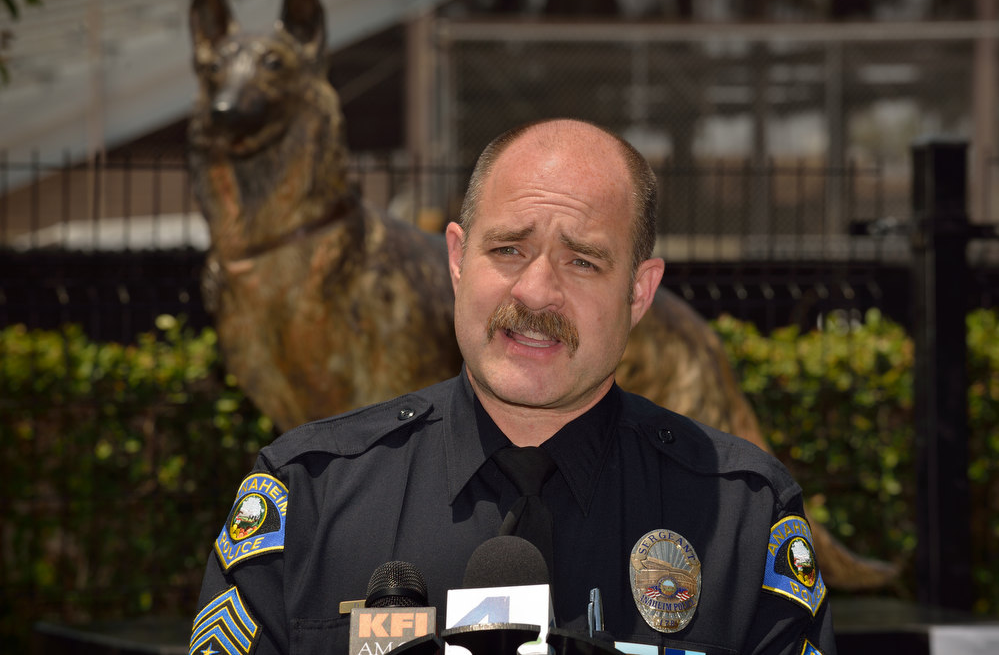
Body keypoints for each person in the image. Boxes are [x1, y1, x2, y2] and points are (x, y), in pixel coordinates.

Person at [190, 118, 836, 655]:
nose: (536, 292)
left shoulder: (743, 518)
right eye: (507, 250)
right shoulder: (308, 497)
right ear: (455, 260)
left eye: (582, 261)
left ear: (639, 290)